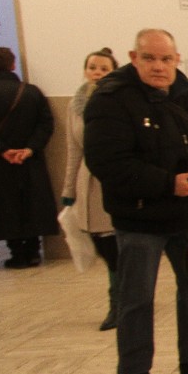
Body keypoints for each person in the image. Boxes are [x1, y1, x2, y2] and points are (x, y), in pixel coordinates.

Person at [84, 28, 188, 374]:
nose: (159, 66)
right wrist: (167, 183)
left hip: (187, 215)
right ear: (133, 57)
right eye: (150, 58)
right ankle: (136, 372)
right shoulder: (111, 99)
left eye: (166, 59)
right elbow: (108, 163)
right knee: (136, 298)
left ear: (177, 59)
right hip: (139, 218)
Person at [0, 46, 59, 269]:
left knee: (5, 207)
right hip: (29, 160)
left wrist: (1, 150)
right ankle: (33, 250)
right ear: (12, 65)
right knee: (31, 203)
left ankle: (17, 253)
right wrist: (29, 149)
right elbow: (46, 123)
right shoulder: (31, 92)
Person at [61, 47, 121, 327]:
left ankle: (119, 302)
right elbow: (73, 150)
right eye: (93, 67)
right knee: (102, 244)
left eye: (104, 69)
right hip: (88, 182)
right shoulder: (75, 105)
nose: (97, 73)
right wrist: (68, 190)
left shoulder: (118, 101)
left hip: (113, 179)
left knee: (115, 247)